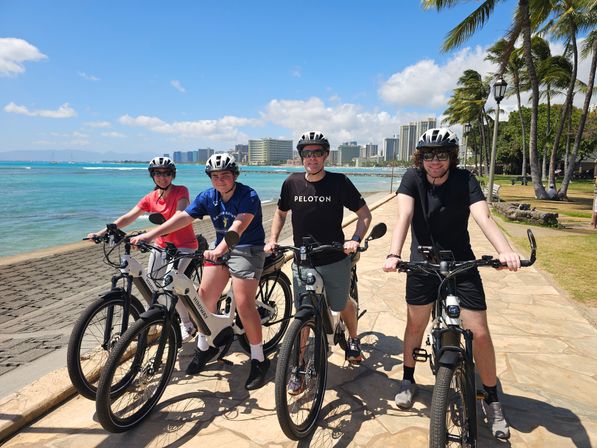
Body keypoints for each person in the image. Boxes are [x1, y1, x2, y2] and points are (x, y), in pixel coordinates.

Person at [382, 128, 521, 440]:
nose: (434, 161)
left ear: (451, 157)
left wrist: (505, 251)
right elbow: (404, 215)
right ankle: (408, 379)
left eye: (441, 155)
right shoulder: (412, 178)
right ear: (421, 158)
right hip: (423, 263)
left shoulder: (465, 180)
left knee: (480, 334)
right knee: (415, 325)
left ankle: (492, 399)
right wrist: (394, 253)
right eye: (428, 155)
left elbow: (484, 217)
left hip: (461, 263)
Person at [131, 153, 269, 390]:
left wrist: (220, 249)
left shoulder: (248, 195)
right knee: (203, 301)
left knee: (245, 305)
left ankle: (258, 358)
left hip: (247, 249)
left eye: (225, 175)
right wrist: (150, 235)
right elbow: (182, 218)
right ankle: (205, 348)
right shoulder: (208, 196)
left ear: (234, 175)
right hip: (219, 250)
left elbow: (238, 227)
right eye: (215, 176)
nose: (220, 180)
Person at [264, 131, 372, 379]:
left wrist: (355, 240)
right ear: (301, 156)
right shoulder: (291, 182)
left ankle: (354, 339)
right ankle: (298, 366)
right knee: (304, 312)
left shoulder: (339, 182)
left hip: (334, 257)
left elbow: (365, 215)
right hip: (303, 259)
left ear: (326, 155)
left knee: (340, 303)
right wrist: (273, 240)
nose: (312, 158)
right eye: (307, 153)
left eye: (318, 153)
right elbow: (281, 213)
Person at [87, 156, 198, 342]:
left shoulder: (181, 191)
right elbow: (128, 217)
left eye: (167, 173)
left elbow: (180, 214)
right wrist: (101, 233)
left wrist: (150, 235)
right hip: (161, 246)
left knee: (169, 285)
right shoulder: (151, 197)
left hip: (184, 246)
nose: (162, 177)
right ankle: (161, 315)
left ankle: (186, 323)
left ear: (172, 175)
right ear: (152, 175)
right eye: (158, 173)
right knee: (154, 283)